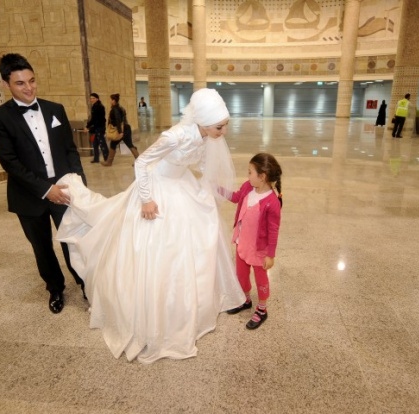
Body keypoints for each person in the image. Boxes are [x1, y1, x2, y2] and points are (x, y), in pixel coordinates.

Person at [56, 88, 246, 363]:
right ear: (202, 122)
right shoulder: (175, 135)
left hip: (182, 185)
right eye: (219, 126)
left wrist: (206, 186)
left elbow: (203, 161)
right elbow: (142, 162)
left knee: (192, 244)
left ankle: (188, 307)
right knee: (156, 247)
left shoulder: (207, 136)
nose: (223, 132)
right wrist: (146, 200)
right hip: (157, 188)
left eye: (226, 125)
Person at [0, 53, 87, 314]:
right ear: (5, 84)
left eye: (32, 81)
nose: (29, 87)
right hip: (28, 194)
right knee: (42, 246)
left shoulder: (56, 110)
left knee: (73, 241)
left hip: (64, 188)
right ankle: (55, 288)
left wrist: (78, 183)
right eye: (20, 83)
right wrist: (45, 189)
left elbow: (69, 150)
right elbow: (9, 162)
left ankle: (85, 283)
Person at [224, 153, 282, 330]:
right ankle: (246, 300)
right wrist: (217, 189)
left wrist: (270, 255)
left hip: (259, 250)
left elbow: (273, 231)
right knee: (241, 275)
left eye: (250, 172)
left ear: (262, 176)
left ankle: (262, 309)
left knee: (261, 279)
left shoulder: (272, 202)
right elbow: (235, 197)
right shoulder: (249, 187)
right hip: (242, 243)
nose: (247, 176)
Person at [101, 93, 139, 166]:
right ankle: (139, 161)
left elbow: (118, 121)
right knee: (125, 144)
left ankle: (109, 162)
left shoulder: (115, 109)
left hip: (122, 130)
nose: (110, 101)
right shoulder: (121, 108)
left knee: (117, 144)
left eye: (111, 100)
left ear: (114, 101)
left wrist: (120, 132)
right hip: (126, 128)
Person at [85, 92, 108, 163]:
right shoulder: (94, 106)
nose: (91, 99)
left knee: (102, 143)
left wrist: (88, 126)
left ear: (97, 99)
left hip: (99, 128)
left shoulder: (98, 107)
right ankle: (96, 158)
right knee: (95, 143)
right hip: (96, 128)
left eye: (93, 98)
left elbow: (95, 119)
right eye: (91, 98)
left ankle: (107, 159)